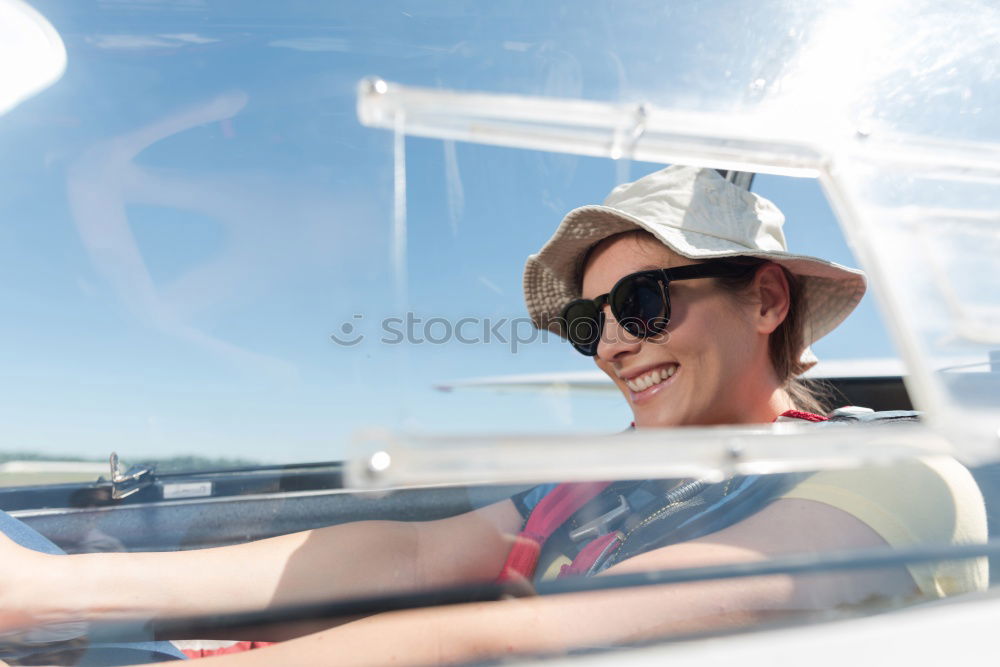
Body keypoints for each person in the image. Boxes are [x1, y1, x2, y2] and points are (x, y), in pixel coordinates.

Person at [0, 166, 987, 666]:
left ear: (766, 301)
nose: (610, 345)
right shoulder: (601, 481)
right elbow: (412, 559)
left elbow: (550, 627)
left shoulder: (896, 481)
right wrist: (67, 585)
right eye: (590, 323)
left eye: (641, 305)